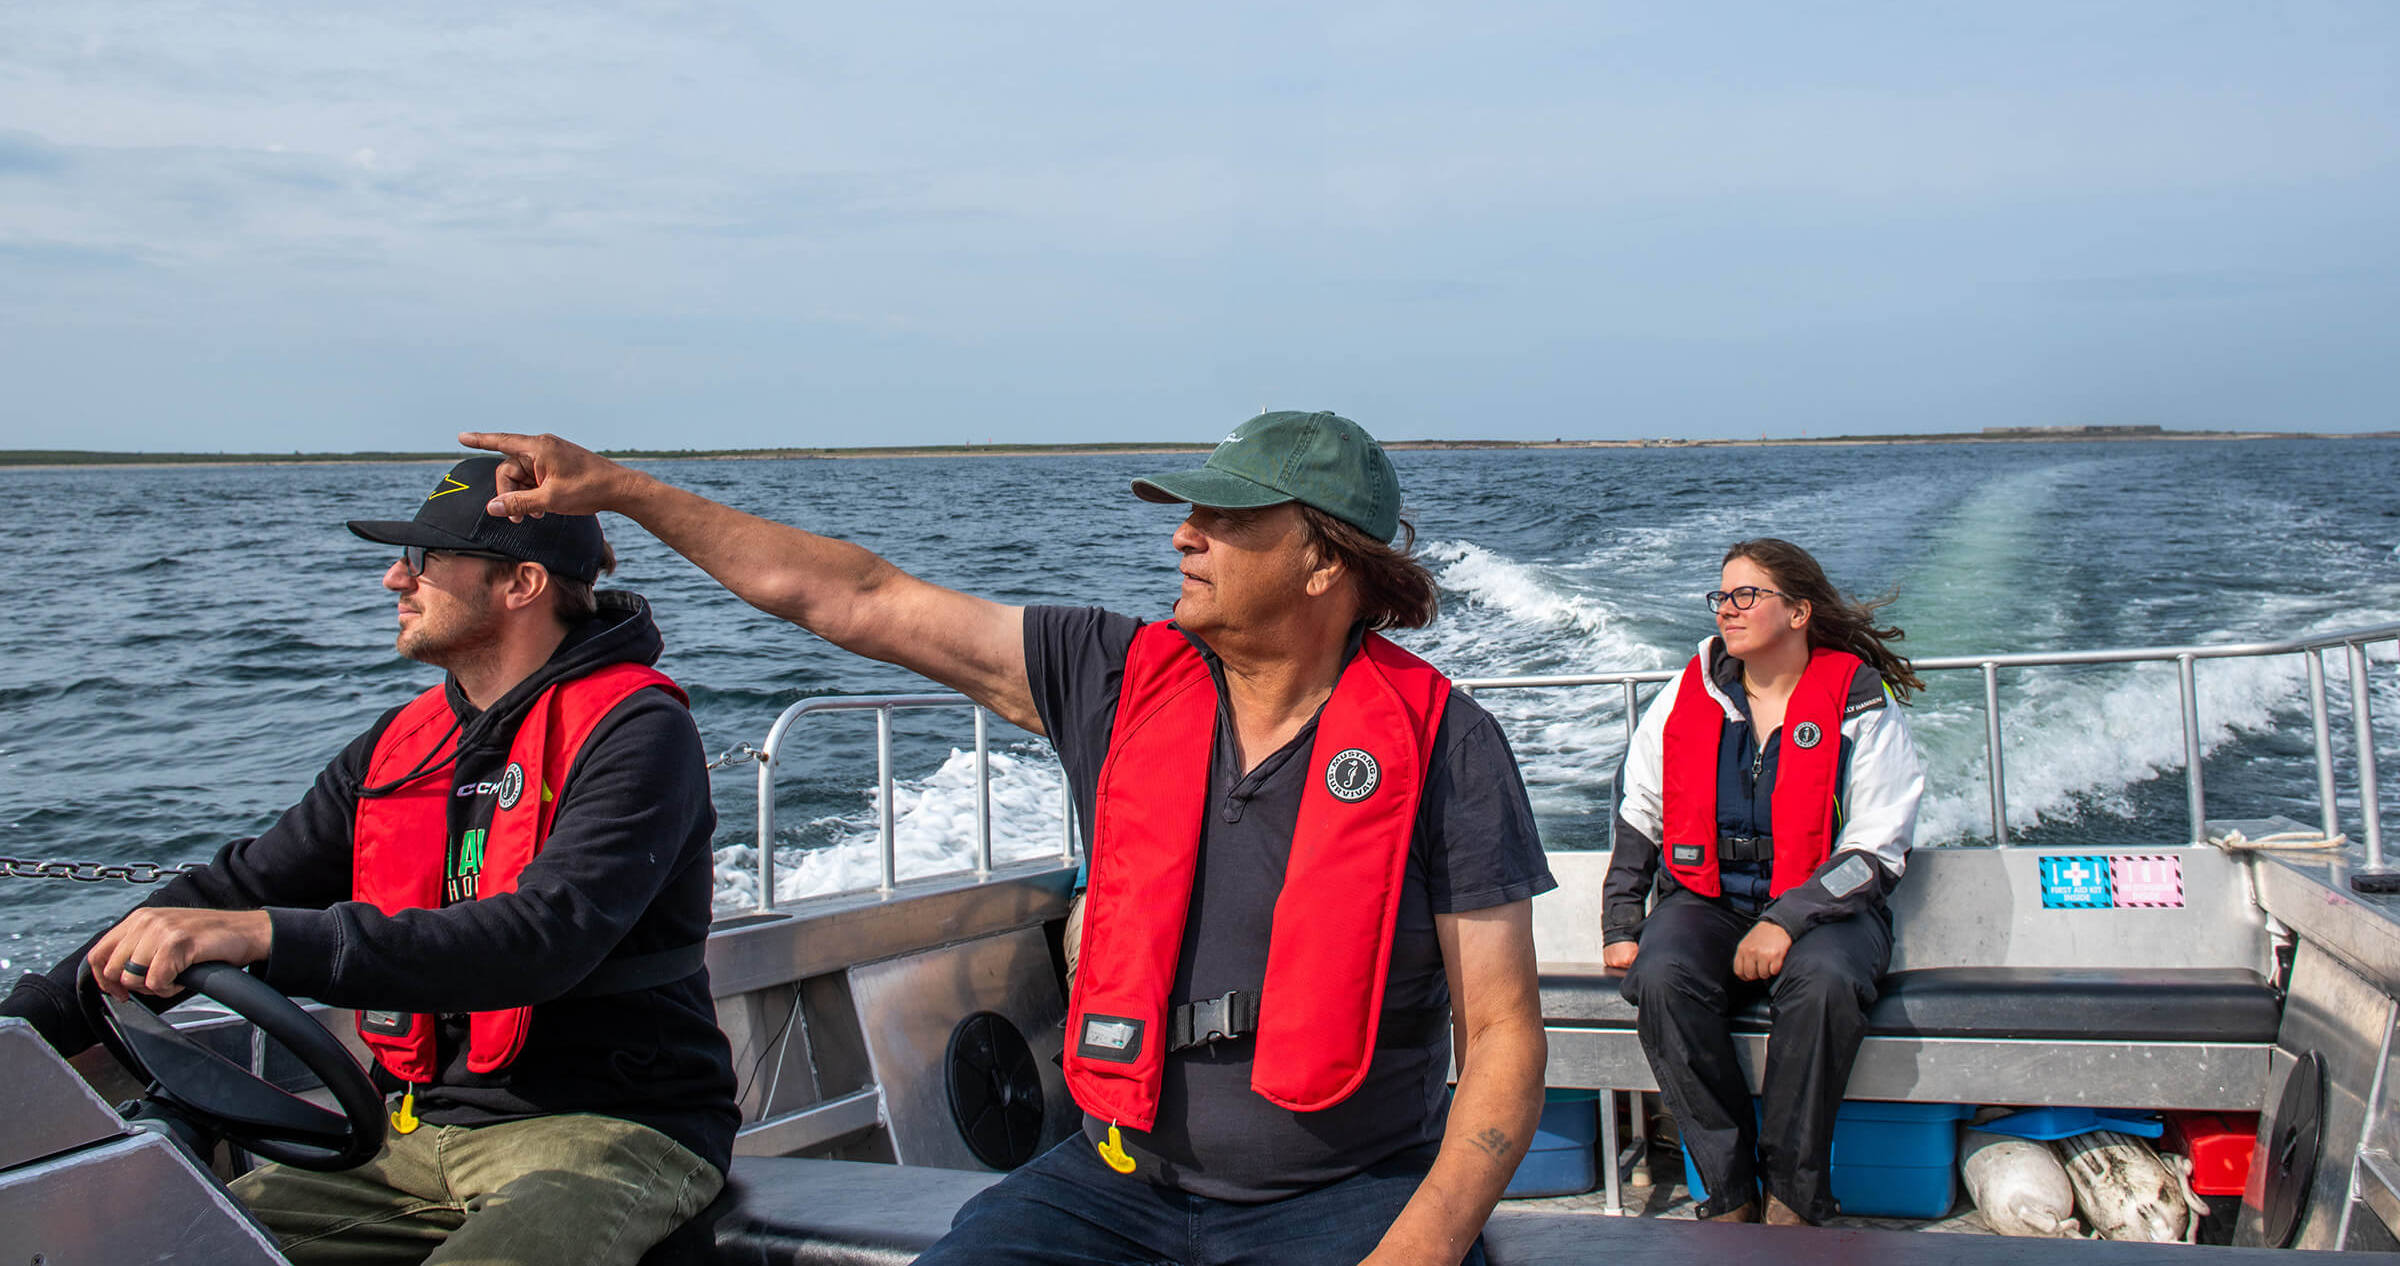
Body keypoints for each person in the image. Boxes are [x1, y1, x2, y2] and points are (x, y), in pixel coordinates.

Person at [461, 411, 1553, 1266]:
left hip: (1345, 1206)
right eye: (1190, 513)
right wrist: (625, 492)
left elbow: (1502, 1032)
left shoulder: (1444, 745)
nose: (1184, 532)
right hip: (1116, 1184)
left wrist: (1420, 1243)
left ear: (1326, 563)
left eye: (1224, 519)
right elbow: (853, 596)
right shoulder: (1114, 675)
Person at [0, 457, 737, 1266]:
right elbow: (233, 886)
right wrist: (21, 1027)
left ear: (523, 583)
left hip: (613, 1133)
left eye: (423, 561)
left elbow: (543, 939)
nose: (395, 578)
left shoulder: (637, 733)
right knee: (160, 1243)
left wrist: (266, 938)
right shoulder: (396, 748)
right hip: (406, 1136)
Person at [1601, 538, 1925, 1226]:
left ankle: (1794, 1193)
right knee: (1661, 979)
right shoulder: (1687, 695)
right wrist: (1621, 921)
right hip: (1710, 900)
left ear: (1800, 611)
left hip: (1830, 909)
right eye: (1722, 596)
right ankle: (1728, 1192)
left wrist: (1787, 920)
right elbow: (1642, 811)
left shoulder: (1859, 701)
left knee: (1826, 985)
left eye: (1747, 595)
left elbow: (1878, 846)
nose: (1728, 609)